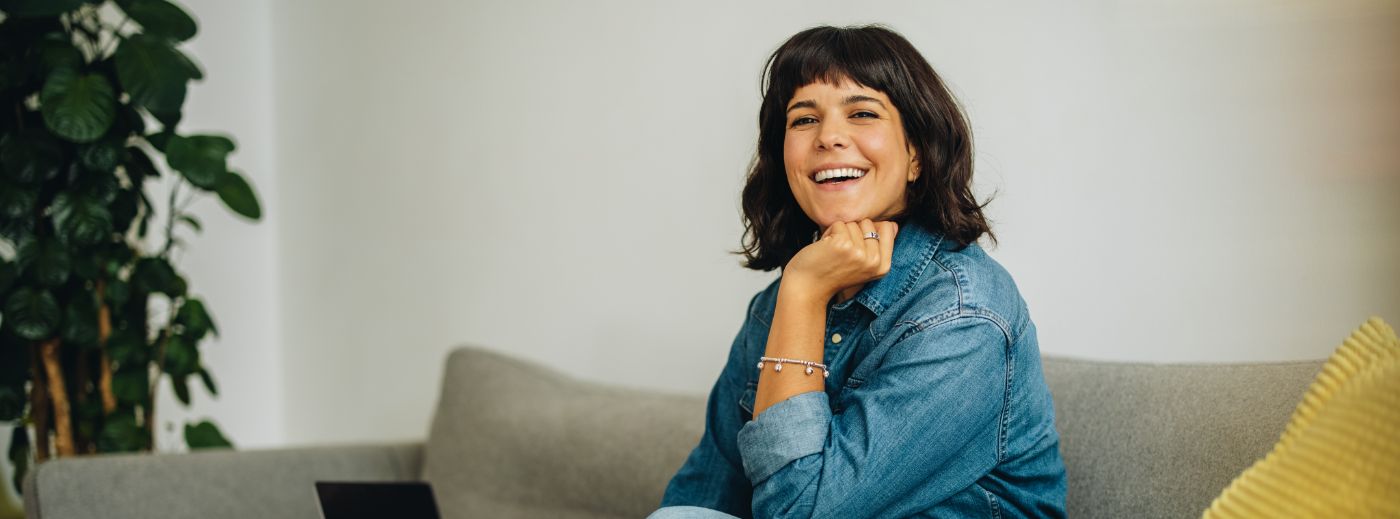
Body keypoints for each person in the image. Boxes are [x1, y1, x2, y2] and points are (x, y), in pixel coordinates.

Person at [649, 25, 1067, 519]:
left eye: (862, 113)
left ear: (916, 155)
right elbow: (709, 491)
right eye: (803, 120)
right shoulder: (771, 309)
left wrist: (803, 293)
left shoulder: (963, 316)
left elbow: (802, 513)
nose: (828, 137)